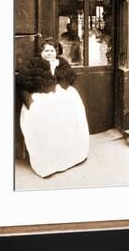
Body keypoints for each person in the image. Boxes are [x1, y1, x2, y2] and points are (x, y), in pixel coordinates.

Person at [16, 38, 89, 178]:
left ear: (57, 52)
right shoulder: (33, 64)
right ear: (41, 52)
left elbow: (68, 80)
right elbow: (22, 85)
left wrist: (58, 80)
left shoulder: (62, 64)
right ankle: (48, 162)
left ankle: (69, 155)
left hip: (61, 96)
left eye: (52, 50)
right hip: (40, 97)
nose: (49, 53)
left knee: (71, 117)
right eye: (46, 51)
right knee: (44, 120)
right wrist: (30, 103)